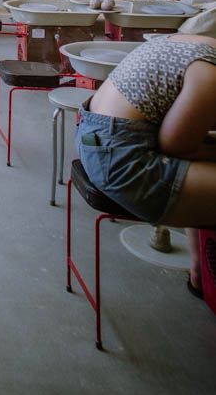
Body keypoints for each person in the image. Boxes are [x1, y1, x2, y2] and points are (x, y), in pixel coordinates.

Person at [75, 32, 216, 296]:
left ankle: (200, 274)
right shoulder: (210, 73)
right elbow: (176, 145)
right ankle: (203, 273)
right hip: (122, 161)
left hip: (92, 136)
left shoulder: (194, 42)